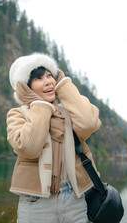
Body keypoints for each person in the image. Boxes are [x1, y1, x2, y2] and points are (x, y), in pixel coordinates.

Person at [6, 52, 102, 223]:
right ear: (26, 88)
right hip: (35, 203)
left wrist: (63, 86)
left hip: (75, 200)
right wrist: (41, 105)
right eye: (38, 79)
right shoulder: (17, 115)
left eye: (50, 75)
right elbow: (29, 147)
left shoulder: (69, 112)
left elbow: (89, 123)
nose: (48, 81)